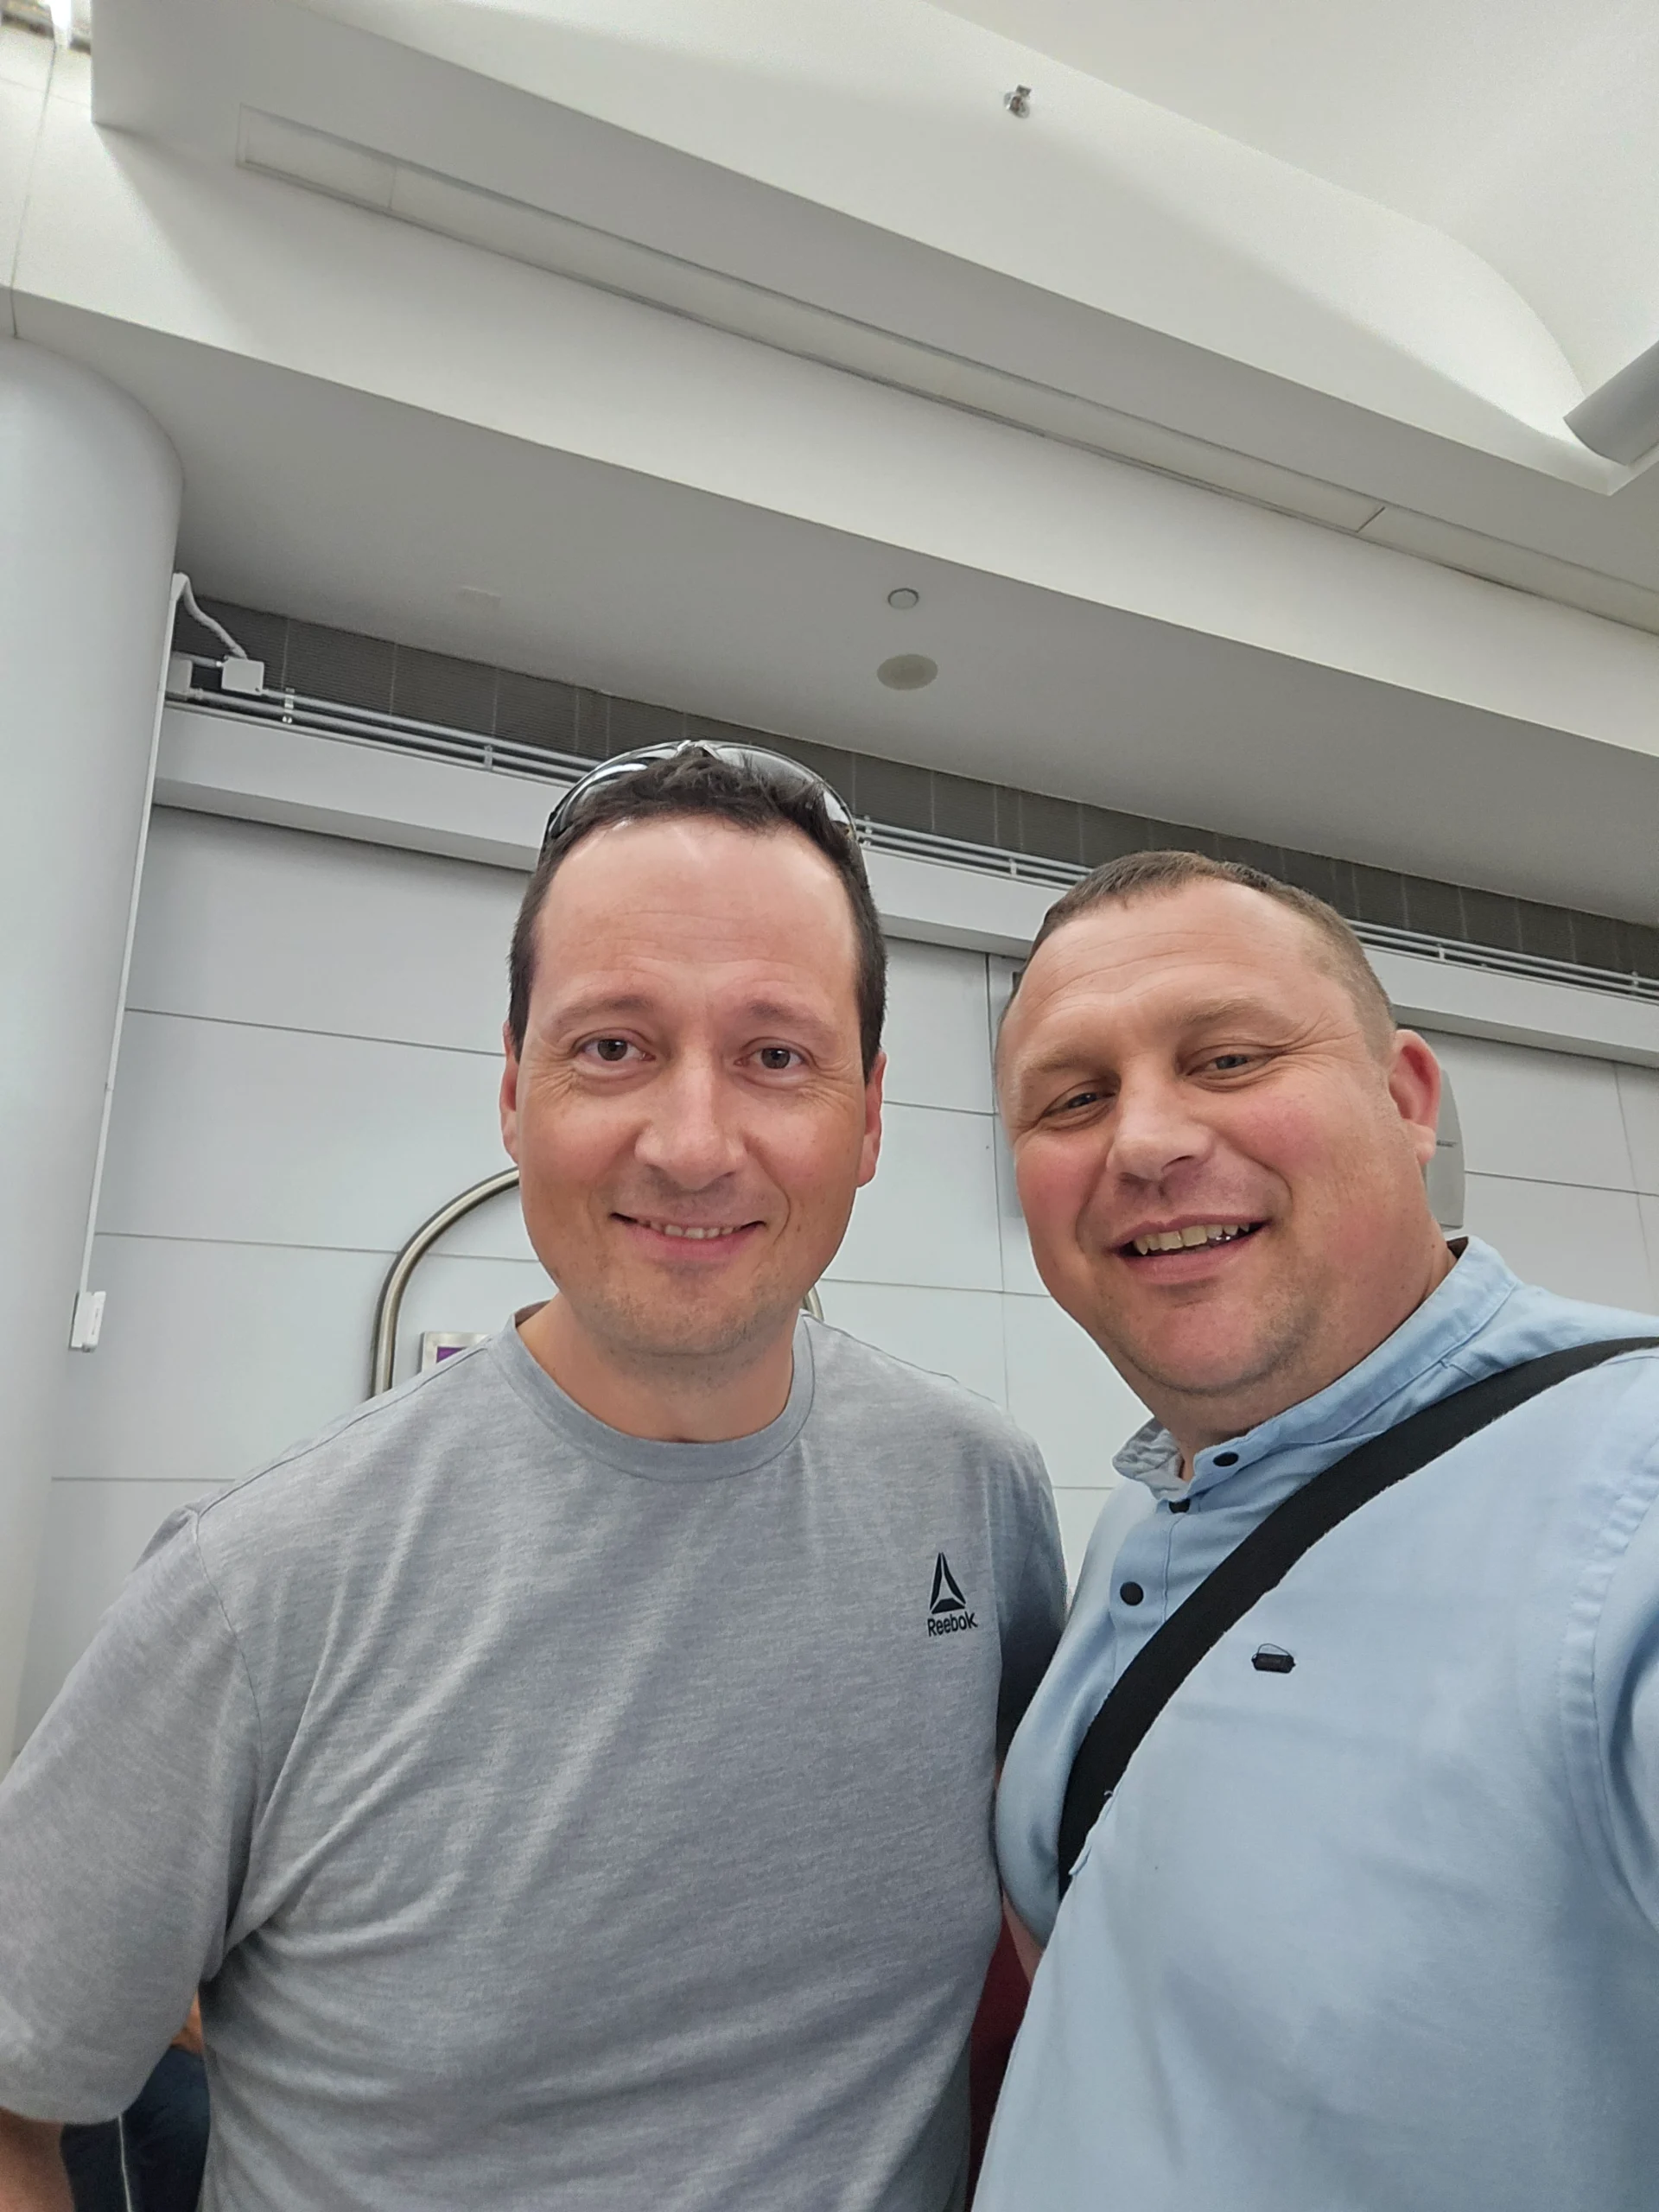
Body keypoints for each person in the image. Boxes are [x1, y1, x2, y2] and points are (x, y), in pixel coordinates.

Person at [0, 744, 1065, 2212]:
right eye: (613, 1047)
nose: (691, 1145)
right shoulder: (253, 1591)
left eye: (775, 1056)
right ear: (514, 1092)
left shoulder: (979, 1499)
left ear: (870, 1116)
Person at [976, 849, 1659, 2212]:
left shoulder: (1627, 1493)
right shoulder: (1146, 1517)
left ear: (1407, 1101)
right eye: (1075, 1097)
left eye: (1228, 1060)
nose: (1146, 1142)